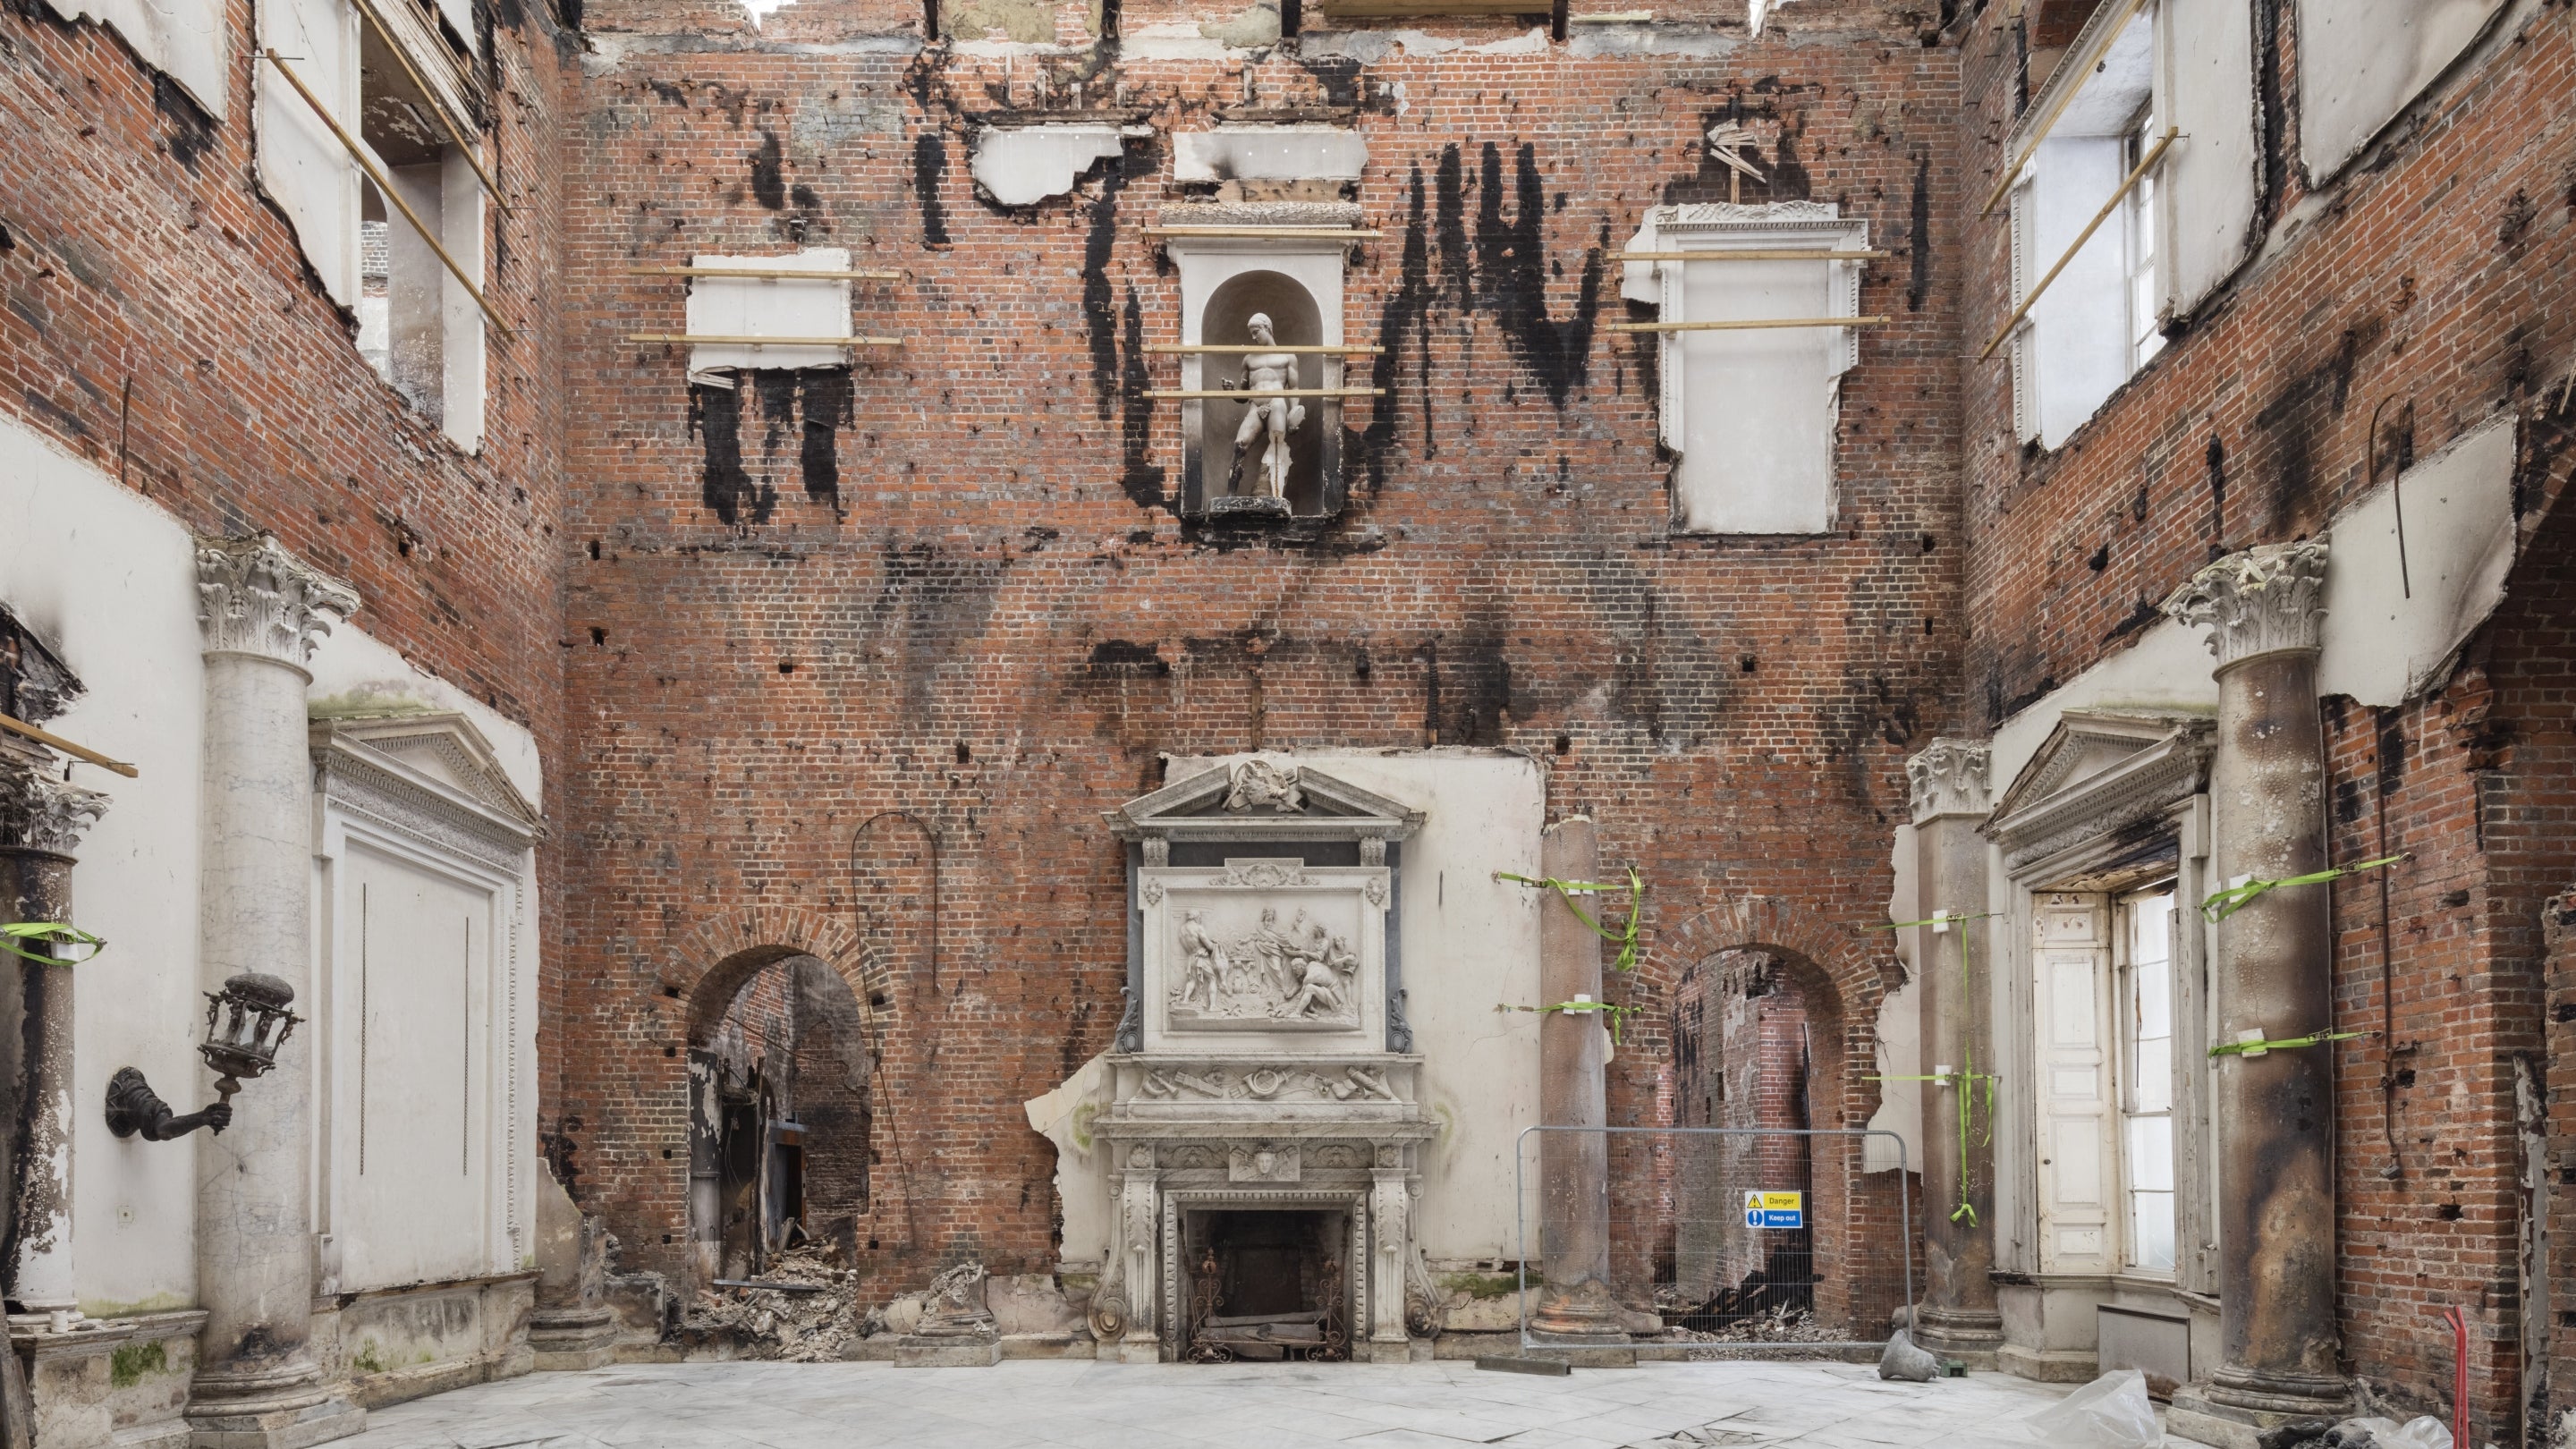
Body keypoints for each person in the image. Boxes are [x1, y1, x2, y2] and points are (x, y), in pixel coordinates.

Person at [1224, 313, 1306, 499]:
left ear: (1267, 328)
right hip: (1255, 407)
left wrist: (1294, 410)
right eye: (1251, 334)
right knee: (1239, 445)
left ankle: (1274, 494)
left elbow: (1293, 388)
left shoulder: (1288, 357)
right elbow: (1243, 396)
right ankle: (1230, 495)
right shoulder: (1249, 359)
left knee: (1277, 441)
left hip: (1277, 402)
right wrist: (1231, 390)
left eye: (1256, 332)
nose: (1253, 337)